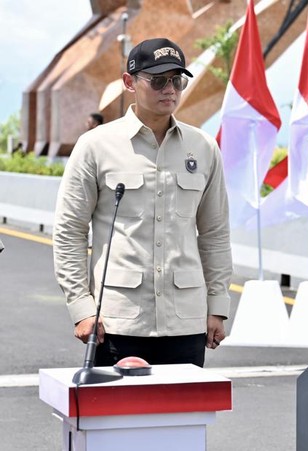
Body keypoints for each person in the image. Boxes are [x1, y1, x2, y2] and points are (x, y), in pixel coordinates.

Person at [53, 38, 233, 367]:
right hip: (117, 323)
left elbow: (215, 233)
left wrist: (217, 306)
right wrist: (81, 308)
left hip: (186, 322)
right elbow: (69, 232)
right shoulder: (95, 146)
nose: (170, 89)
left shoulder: (204, 148)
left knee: (184, 419)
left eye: (177, 80)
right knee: (115, 418)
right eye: (158, 80)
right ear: (129, 83)